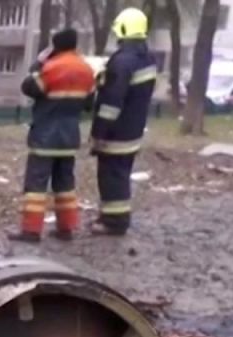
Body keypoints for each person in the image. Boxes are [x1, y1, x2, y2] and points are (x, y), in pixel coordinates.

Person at [15, 27, 96, 243]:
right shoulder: (86, 69)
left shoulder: (51, 68)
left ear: (56, 45)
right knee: (65, 185)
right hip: (69, 137)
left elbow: (29, 88)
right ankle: (66, 228)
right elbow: (89, 104)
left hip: (46, 135)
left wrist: (38, 63)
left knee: (36, 186)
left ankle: (31, 231)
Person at [90, 7, 158, 237]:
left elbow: (112, 101)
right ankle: (114, 216)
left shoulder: (121, 62)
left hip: (116, 133)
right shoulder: (146, 58)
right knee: (120, 175)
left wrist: (100, 131)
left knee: (111, 177)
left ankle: (114, 222)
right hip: (133, 129)